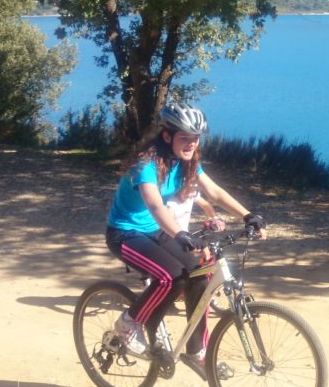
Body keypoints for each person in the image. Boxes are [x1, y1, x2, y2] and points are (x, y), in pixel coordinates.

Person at [105, 103, 265, 369]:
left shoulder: (187, 163)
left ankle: (196, 351)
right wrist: (179, 233)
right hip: (124, 233)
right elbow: (155, 205)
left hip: (156, 230)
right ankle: (128, 324)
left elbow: (214, 192)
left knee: (201, 272)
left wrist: (247, 215)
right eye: (185, 138)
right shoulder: (145, 163)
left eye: (195, 138)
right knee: (170, 276)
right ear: (167, 136)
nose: (191, 144)